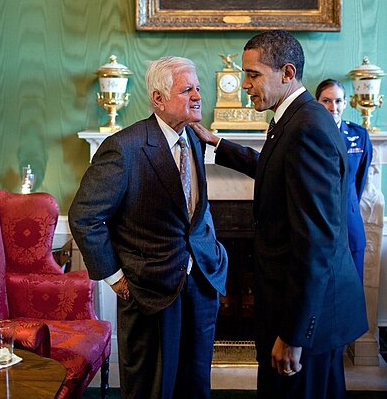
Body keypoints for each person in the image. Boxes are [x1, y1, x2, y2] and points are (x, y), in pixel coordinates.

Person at [191, 31, 368, 399]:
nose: (244, 85)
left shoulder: (307, 128)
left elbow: (315, 243)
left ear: (287, 73)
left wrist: (292, 335)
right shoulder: (295, 117)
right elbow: (275, 169)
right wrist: (219, 145)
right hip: (302, 312)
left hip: (307, 322)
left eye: (253, 75)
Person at [69, 56, 228, 399]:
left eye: (198, 88)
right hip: (148, 291)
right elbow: (84, 217)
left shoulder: (195, 140)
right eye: (187, 90)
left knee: (196, 385)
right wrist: (115, 278)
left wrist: (213, 254)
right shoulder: (123, 148)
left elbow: (195, 212)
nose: (198, 96)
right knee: (151, 390)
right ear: (158, 98)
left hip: (201, 283)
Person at [315, 78, 373, 282]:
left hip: (350, 225)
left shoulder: (360, 135)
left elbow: (358, 181)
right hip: (318, 224)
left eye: (338, 101)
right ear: (317, 103)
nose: (333, 107)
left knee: (353, 287)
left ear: (346, 103)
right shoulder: (308, 134)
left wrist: (348, 205)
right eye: (326, 101)